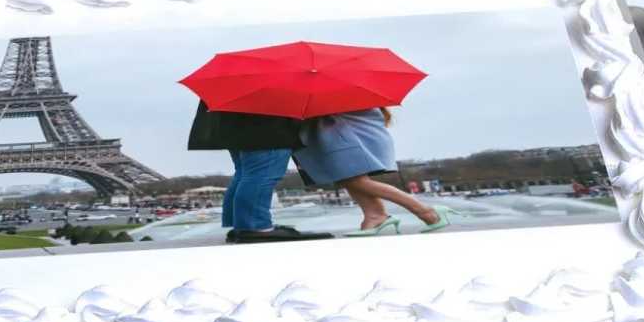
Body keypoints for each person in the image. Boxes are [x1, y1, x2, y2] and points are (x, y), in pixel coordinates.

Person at [292, 107, 455, 235]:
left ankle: (425, 211)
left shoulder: (339, 93)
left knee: (355, 181)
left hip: (348, 138)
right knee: (348, 179)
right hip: (345, 136)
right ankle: (375, 215)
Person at [187, 101, 333, 244]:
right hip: (265, 123)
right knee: (263, 174)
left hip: (236, 121)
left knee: (246, 174)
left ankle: (243, 225)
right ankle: (255, 226)